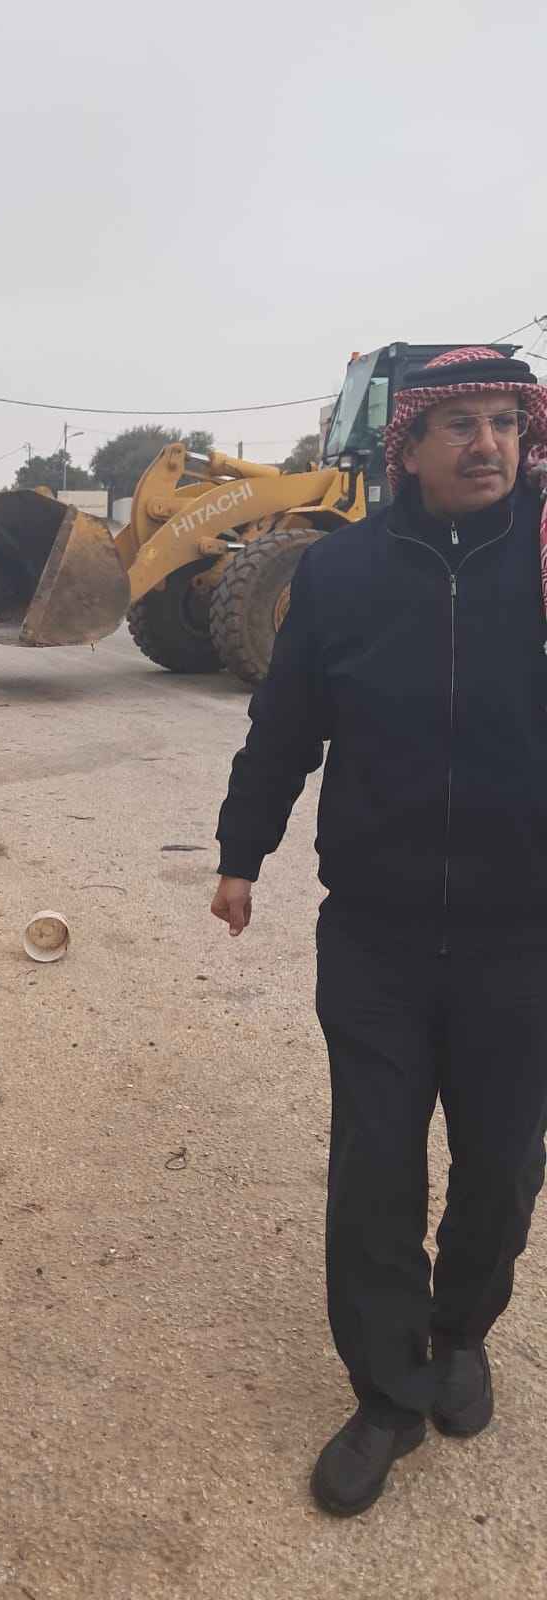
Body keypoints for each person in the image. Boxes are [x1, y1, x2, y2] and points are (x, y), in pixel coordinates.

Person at [211, 347, 547, 1518]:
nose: (488, 444)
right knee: (374, 1172)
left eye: (505, 421)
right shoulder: (341, 573)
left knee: (503, 1166)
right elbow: (284, 724)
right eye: (461, 423)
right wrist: (242, 850)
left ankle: (462, 1333)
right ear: (408, 443)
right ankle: (388, 1392)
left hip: (523, 935)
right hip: (377, 938)